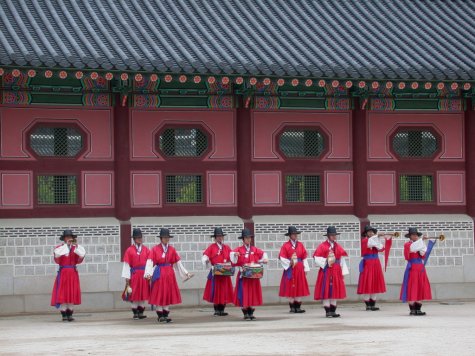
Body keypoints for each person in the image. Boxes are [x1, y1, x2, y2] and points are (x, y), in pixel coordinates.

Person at [144, 228, 192, 323]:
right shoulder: (155, 249)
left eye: (167, 237)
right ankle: (160, 315)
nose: (166, 239)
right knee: (160, 294)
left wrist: (186, 273)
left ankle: (166, 314)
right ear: (161, 238)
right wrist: (148, 273)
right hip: (159, 273)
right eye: (164, 237)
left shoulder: (172, 249)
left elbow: (178, 263)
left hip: (169, 273)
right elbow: (150, 262)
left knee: (167, 294)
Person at [230, 228, 268, 321]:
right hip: (243, 276)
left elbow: (263, 254)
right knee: (244, 292)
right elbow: (231, 256)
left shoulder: (254, 249)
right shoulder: (238, 249)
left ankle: (251, 311)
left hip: (253, 276)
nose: (248, 240)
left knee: (252, 292)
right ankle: (245, 312)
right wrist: (235, 255)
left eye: (249, 238)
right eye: (246, 238)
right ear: (243, 239)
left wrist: (265, 259)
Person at [313, 226, 349, 318]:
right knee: (326, 290)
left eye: (334, 235)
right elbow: (316, 258)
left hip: (336, 270)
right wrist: (326, 261)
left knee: (335, 290)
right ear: (328, 236)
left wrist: (343, 272)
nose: (333, 237)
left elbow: (342, 259)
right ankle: (327, 311)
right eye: (332, 235)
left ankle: (333, 311)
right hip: (326, 270)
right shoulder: (322, 246)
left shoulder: (338, 246)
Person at [50, 229, 86, 321]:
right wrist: (66, 246)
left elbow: (81, 256)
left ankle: (70, 314)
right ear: (64, 239)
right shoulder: (60, 248)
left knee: (71, 292)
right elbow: (57, 255)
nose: (69, 239)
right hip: (63, 273)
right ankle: (64, 314)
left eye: (70, 237)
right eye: (67, 237)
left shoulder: (76, 248)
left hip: (73, 273)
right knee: (63, 292)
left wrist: (75, 246)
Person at [357, 225, 390, 311]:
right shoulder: (365, 241)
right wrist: (377, 236)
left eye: (372, 232)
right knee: (368, 283)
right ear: (366, 233)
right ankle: (368, 305)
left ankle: (373, 304)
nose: (371, 233)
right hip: (368, 263)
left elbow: (382, 248)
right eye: (369, 232)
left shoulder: (374, 241)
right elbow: (370, 242)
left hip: (376, 263)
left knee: (375, 282)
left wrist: (379, 238)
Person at [202, 227, 234, 316]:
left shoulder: (227, 247)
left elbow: (232, 256)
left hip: (224, 273)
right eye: (218, 236)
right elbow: (205, 255)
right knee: (216, 290)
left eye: (221, 236)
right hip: (216, 273)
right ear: (215, 237)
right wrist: (206, 260)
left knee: (224, 291)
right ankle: (216, 309)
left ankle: (222, 309)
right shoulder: (212, 247)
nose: (220, 238)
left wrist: (235, 255)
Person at [400, 227, 432, 316]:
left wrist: (423, 242)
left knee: (420, 286)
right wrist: (421, 240)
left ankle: (418, 309)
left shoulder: (420, 243)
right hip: (412, 267)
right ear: (410, 236)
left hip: (420, 267)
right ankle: (412, 309)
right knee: (412, 286)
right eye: (413, 235)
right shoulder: (407, 245)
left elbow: (423, 253)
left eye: (416, 235)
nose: (415, 236)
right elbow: (412, 249)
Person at [278, 226, 310, 313]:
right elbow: (281, 257)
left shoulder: (300, 245)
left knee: (299, 286)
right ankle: (292, 306)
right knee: (290, 286)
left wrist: (306, 268)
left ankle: (298, 306)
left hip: (299, 268)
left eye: (296, 234)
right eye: (293, 234)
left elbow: (304, 257)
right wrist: (289, 263)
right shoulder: (286, 245)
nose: (295, 235)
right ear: (290, 235)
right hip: (290, 268)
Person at [121, 228, 150, 320]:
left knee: (142, 294)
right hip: (134, 275)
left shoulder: (146, 249)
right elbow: (126, 265)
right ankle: (135, 313)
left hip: (144, 275)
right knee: (134, 294)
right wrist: (127, 277)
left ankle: (141, 312)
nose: (139, 239)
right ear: (134, 239)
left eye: (140, 237)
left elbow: (150, 263)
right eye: (137, 237)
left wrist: (149, 273)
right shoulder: (129, 250)